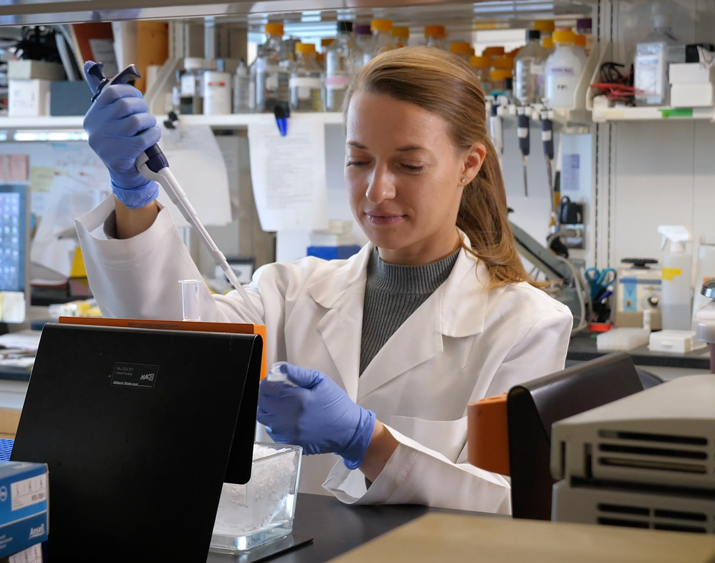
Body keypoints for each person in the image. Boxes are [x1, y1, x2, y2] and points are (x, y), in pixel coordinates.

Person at [75, 47, 572, 514]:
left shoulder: (527, 324)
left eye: (409, 165)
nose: (377, 190)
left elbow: (512, 505)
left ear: (469, 165)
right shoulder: (289, 292)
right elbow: (172, 340)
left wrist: (368, 442)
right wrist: (133, 191)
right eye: (358, 161)